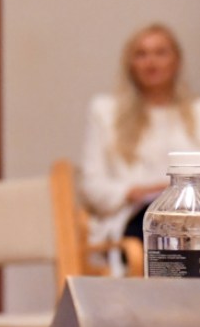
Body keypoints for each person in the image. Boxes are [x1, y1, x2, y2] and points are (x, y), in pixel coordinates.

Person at [80, 22, 200, 271]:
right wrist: (131, 191)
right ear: (130, 64)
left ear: (177, 61)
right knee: (157, 223)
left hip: (192, 216)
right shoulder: (105, 112)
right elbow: (92, 186)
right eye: (141, 54)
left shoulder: (196, 113)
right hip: (136, 216)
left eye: (160, 53)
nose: (151, 62)